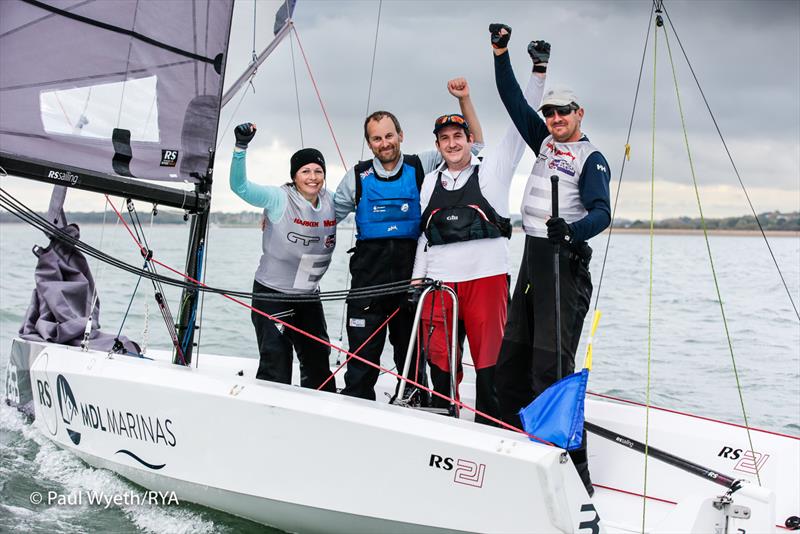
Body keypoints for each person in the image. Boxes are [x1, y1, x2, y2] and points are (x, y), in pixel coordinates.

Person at [491, 24, 611, 495]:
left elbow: (602, 213)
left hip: (564, 263)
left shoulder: (590, 157)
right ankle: (512, 443)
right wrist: (501, 53)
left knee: (551, 366)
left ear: (579, 113)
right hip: (531, 259)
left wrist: (572, 230)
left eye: (563, 111)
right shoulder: (542, 140)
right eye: (551, 112)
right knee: (513, 357)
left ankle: (571, 468)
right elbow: (512, 100)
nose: (555, 117)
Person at [335, 81, 484, 402]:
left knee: (413, 363)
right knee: (360, 364)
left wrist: (464, 100)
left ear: (401, 135)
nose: (384, 143)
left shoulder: (423, 165)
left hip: (411, 285)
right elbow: (324, 213)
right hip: (368, 284)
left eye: (389, 135)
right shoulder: (356, 177)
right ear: (369, 143)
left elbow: (476, 147)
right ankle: (355, 412)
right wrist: (288, 196)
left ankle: (415, 404)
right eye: (376, 138)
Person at [412, 69, 546, 425]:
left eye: (458, 136)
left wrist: (538, 73)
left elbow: (522, 119)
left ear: (470, 139)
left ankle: (493, 425)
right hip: (439, 286)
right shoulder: (428, 181)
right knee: (440, 360)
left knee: (491, 362)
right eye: (444, 139)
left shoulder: (493, 170)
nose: (452, 143)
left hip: (486, 283)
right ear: (438, 145)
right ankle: (443, 419)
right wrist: (415, 281)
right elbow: (425, 237)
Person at [230, 122, 336, 393]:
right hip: (272, 294)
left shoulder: (332, 201)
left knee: (318, 365)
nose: (312, 177)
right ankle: (271, 419)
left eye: (318, 171)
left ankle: (319, 419)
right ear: (294, 175)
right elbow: (240, 187)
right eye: (305, 171)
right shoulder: (279, 198)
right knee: (277, 364)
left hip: (309, 296)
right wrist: (241, 147)